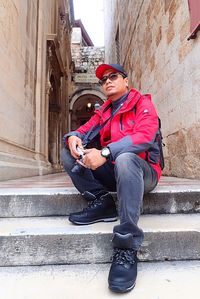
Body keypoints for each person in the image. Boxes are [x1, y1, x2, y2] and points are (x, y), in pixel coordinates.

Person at [61, 63, 162, 293]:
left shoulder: (142, 103)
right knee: (67, 151)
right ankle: (103, 202)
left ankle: (126, 245)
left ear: (126, 81)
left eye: (113, 76)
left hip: (142, 172)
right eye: (103, 79)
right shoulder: (104, 111)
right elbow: (84, 129)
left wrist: (105, 152)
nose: (107, 81)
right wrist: (75, 138)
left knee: (125, 158)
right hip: (115, 172)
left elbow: (145, 136)